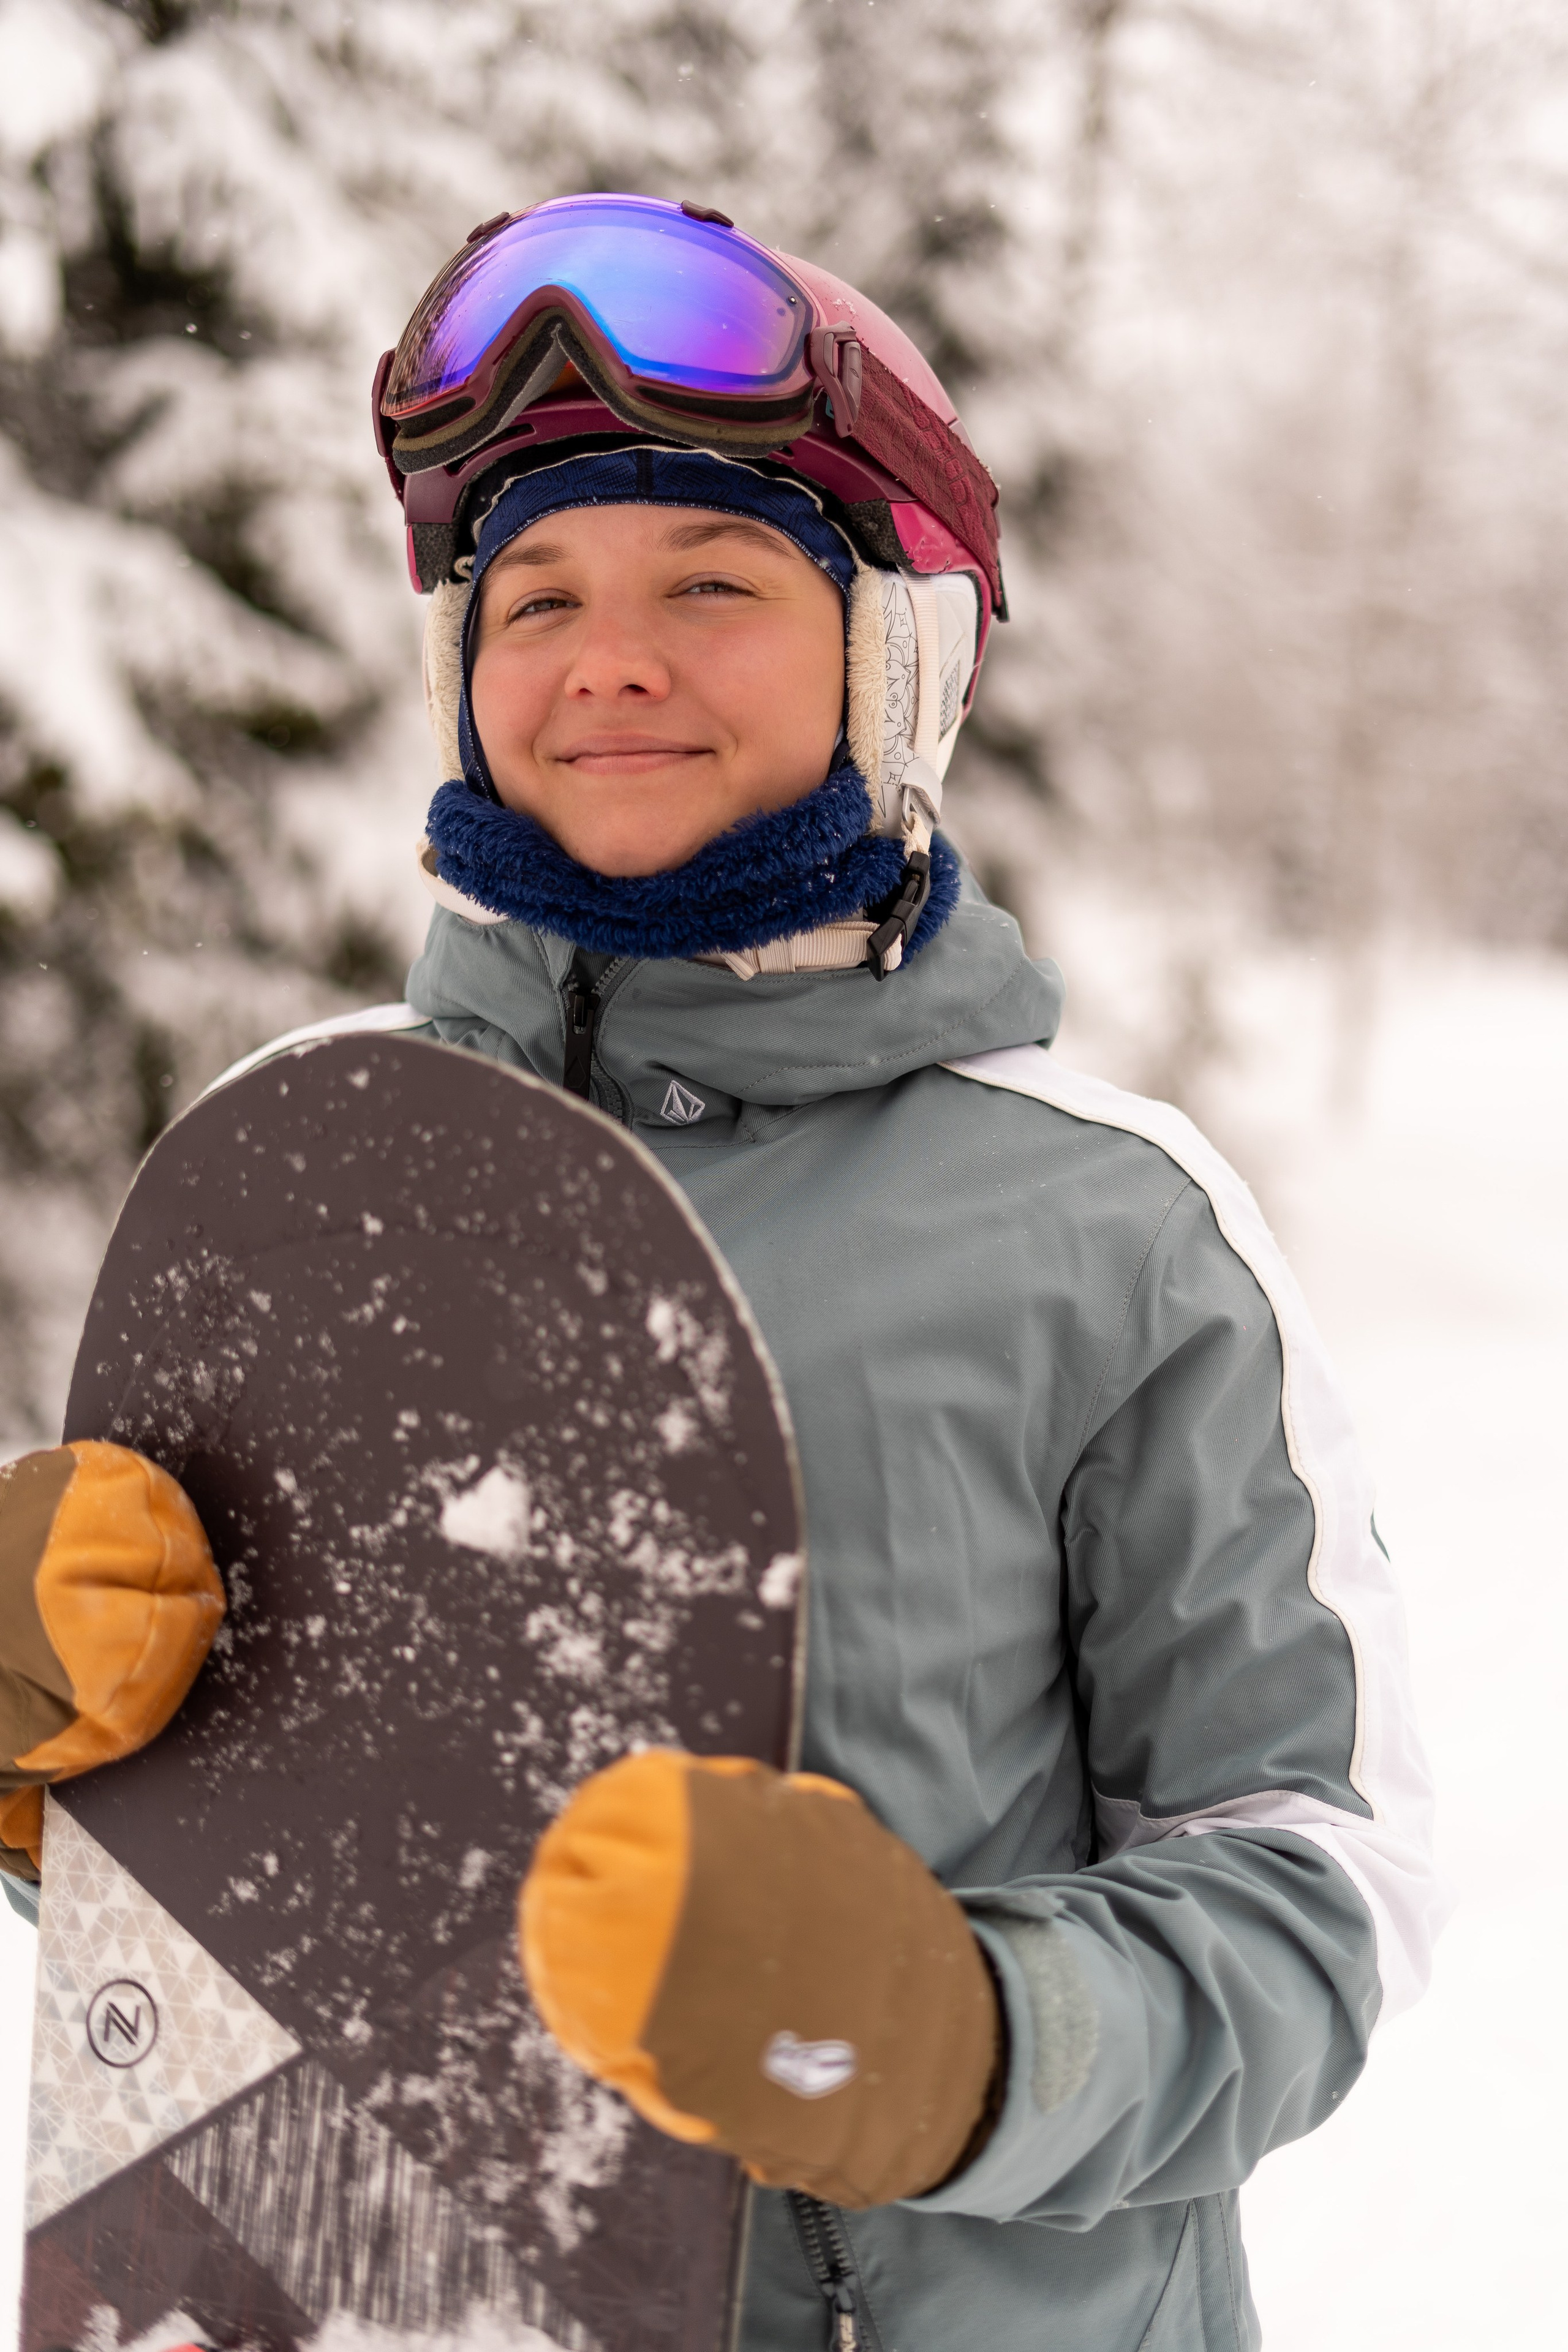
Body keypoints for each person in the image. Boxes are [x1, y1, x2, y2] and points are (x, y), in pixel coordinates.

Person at [0, 194, 1446, 2350]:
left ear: (898, 659)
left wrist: (962, 2038)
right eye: (538, 598)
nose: (610, 659)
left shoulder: (1106, 1230)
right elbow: (237, 1919)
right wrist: (60, 1759)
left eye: (714, 583)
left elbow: (1324, 1882)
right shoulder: (302, 1164)